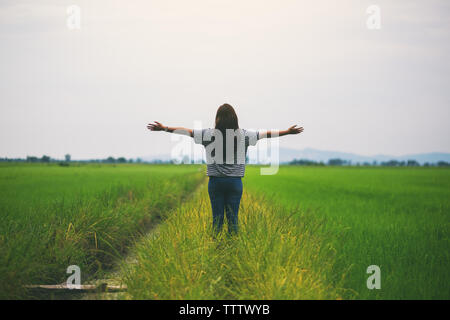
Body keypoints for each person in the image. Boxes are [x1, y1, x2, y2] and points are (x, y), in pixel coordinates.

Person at [147, 103, 303, 235]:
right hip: (235, 183)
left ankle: (216, 247)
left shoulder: (208, 134)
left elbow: (186, 131)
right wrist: (288, 132)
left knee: (217, 220)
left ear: (217, 119)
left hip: (215, 183)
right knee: (233, 219)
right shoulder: (243, 135)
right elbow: (267, 134)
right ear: (235, 119)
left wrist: (164, 128)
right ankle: (233, 249)